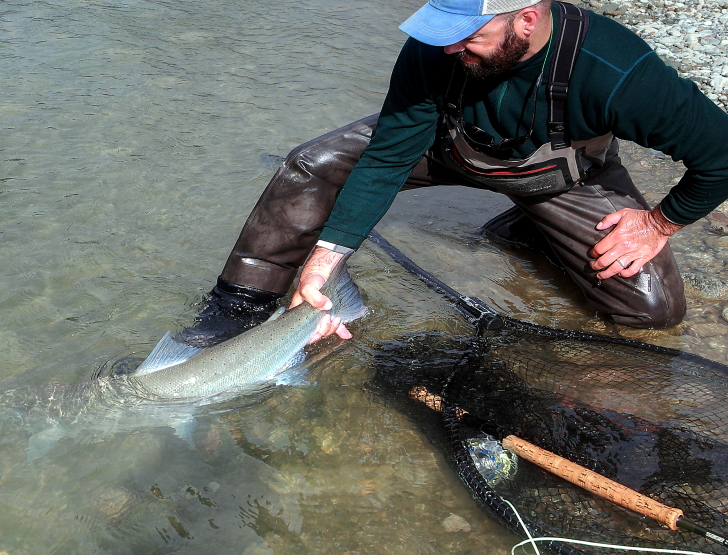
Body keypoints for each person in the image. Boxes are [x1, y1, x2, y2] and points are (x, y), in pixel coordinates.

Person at [178, 0, 728, 348]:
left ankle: (533, 230)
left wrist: (658, 223)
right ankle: (235, 311)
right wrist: (325, 261)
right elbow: (389, 156)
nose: (448, 46)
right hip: (445, 146)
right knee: (311, 165)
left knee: (652, 311)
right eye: (442, 30)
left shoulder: (615, 69)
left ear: (526, 19)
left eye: (467, 34)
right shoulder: (436, 50)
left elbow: (721, 155)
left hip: (560, 177)